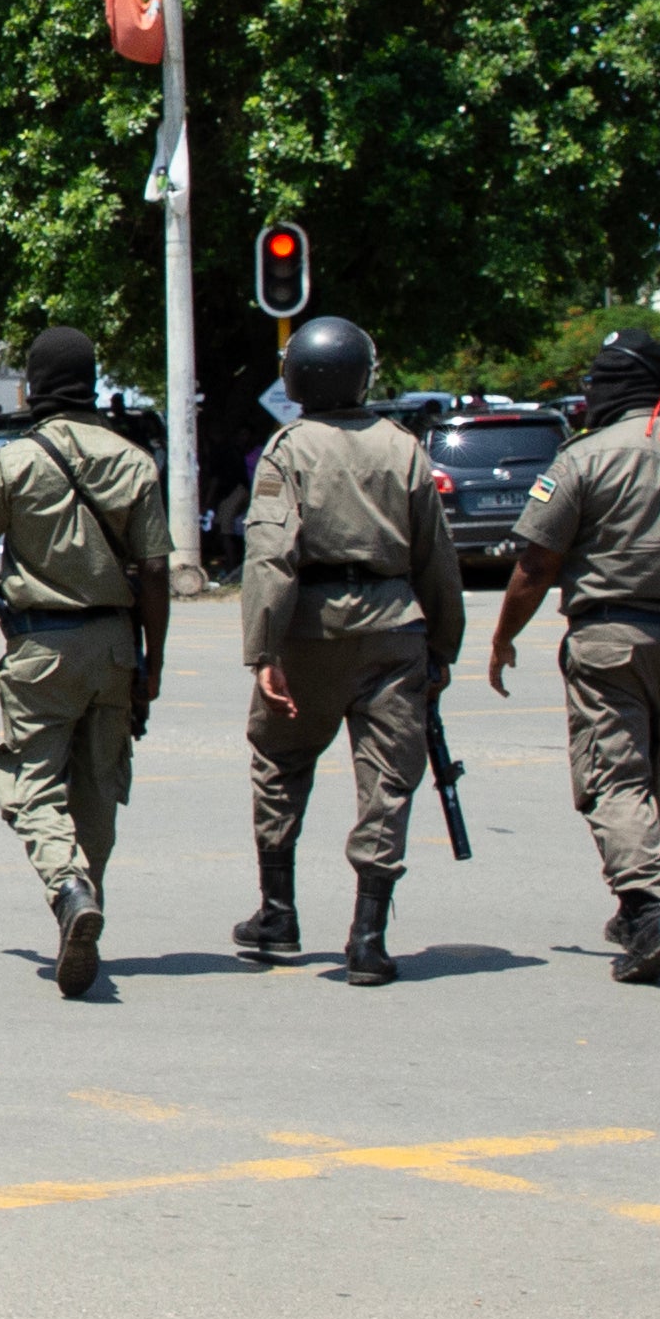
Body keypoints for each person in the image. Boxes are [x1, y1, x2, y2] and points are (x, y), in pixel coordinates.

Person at [484, 327, 660, 985]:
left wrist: (503, 636)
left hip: (608, 639)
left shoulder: (581, 460)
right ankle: (645, 903)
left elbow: (535, 563)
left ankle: (645, 908)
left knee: (614, 777)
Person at [0, 328, 171, 1000]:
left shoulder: (12, 463)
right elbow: (154, 571)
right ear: (91, 384)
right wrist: (151, 662)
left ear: (31, 387)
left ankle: (66, 884)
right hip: (115, 645)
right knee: (98, 783)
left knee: (30, 780)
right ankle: (83, 892)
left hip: (39, 647)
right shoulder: (133, 460)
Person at [233, 317, 464, 986]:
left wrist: (263, 648)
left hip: (307, 630)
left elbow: (270, 556)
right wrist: (441, 646)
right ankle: (368, 934)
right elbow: (436, 559)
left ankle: (277, 913)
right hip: (395, 629)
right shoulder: (403, 447)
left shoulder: (288, 448)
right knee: (387, 780)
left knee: (279, 764)